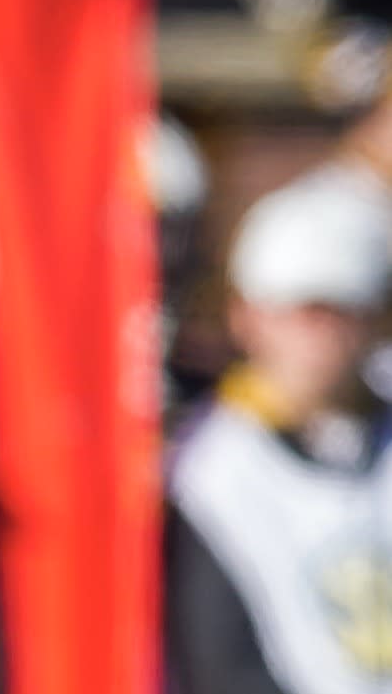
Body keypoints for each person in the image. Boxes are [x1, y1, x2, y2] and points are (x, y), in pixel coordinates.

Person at [167, 162, 392, 694]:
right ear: (247, 317)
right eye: (301, 313)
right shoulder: (209, 473)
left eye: (342, 313)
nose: (321, 338)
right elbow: (219, 664)